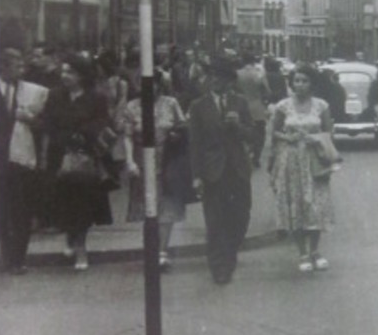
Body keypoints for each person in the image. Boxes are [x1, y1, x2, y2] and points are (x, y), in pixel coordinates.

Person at [41, 53, 113, 271]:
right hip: (60, 156)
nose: (65, 76)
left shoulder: (95, 97)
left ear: (82, 75)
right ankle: (70, 239)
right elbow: (48, 122)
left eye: (70, 72)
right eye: (63, 71)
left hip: (85, 157)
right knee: (63, 203)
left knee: (82, 206)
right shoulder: (55, 96)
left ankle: (81, 248)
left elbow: (102, 121)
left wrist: (83, 133)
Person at [187, 57, 255, 285]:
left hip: (238, 169)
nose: (214, 80)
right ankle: (220, 267)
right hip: (212, 171)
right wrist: (196, 176)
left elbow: (253, 136)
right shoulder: (199, 106)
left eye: (220, 77)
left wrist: (239, 126)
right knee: (215, 221)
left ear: (228, 80)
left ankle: (230, 255)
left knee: (240, 218)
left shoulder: (241, 103)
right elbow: (194, 144)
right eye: (211, 76)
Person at [268, 63, 336, 273]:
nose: (300, 85)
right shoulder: (283, 106)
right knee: (296, 204)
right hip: (291, 162)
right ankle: (302, 253)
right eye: (296, 80)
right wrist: (288, 137)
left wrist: (314, 139)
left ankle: (315, 251)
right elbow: (274, 132)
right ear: (291, 83)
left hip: (314, 161)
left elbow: (329, 132)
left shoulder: (321, 106)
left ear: (312, 83)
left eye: (305, 80)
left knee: (315, 205)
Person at [122, 69, 189, 271]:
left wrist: (177, 136)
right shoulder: (132, 107)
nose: (149, 89)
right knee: (147, 209)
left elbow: (182, 126)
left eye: (153, 84)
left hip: (167, 160)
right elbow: (126, 135)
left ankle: (162, 252)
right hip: (143, 162)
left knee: (167, 208)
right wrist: (129, 161)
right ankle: (151, 250)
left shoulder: (170, 103)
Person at [0, 46, 49, 273]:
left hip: (21, 158)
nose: (22, 70)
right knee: (0, 211)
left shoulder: (31, 92)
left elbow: (43, 124)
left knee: (21, 211)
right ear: (3, 66)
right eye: (17, 66)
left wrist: (31, 120)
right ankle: (6, 257)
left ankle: (17, 260)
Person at [235, 51, 272, 167]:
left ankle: (243, 154)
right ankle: (256, 156)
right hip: (257, 107)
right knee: (260, 133)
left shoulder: (237, 74)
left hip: (240, 107)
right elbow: (267, 91)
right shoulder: (259, 74)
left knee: (241, 131)